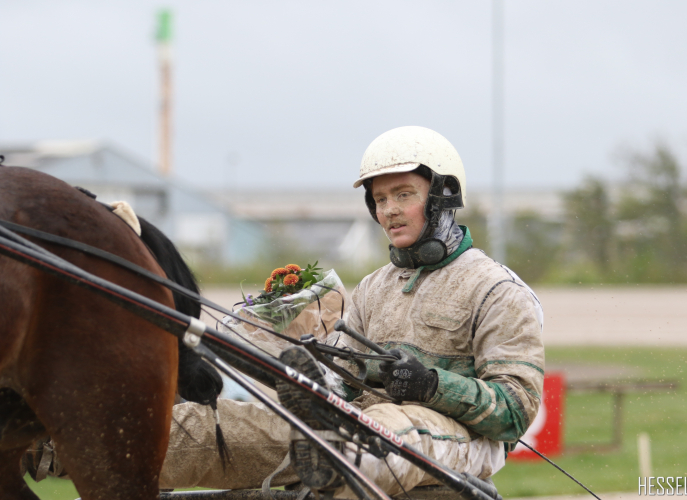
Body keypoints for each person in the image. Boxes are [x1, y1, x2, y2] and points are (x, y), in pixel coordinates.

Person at [161, 126, 546, 495]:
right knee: (203, 425)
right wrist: (276, 355)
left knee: (381, 428)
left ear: (444, 195)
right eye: (380, 200)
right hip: (346, 426)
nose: (390, 210)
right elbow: (337, 387)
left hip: (454, 440)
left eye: (403, 195)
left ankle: (332, 459)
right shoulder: (371, 287)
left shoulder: (498, 289)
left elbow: (515, 411)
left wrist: (431, 386)